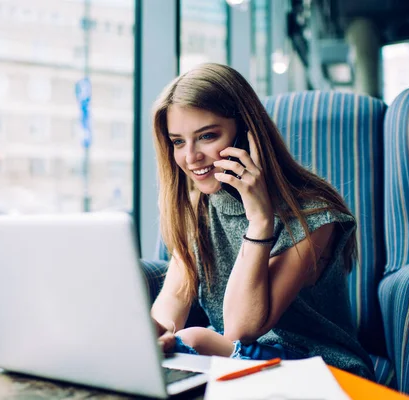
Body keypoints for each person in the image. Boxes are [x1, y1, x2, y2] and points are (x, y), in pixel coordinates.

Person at [149, 63, 375, 380]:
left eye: (207, 136)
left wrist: (259, 221)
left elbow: (242, 328)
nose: (191, 157)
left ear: (247, 134)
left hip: (320, 367)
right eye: (178, 142)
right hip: (233, 358)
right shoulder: (198, 207)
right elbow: (174, 299)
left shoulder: (314, 214)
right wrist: (155, 334)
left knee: (196, 338)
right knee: (180, 345)